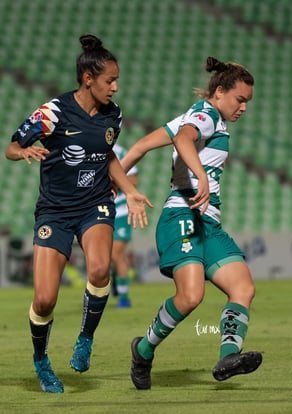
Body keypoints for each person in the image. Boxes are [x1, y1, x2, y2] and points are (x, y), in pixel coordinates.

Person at [4, 34, 152, 394]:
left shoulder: (112, 116)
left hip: (94, 204)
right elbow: (11, 145)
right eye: (109, 81)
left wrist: (130, 190)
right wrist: (23, 153)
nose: (115, 87)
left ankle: (85, 338)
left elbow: (108, 155)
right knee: (44, 299)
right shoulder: (52, 112)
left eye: (117, 80)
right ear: (89, 79)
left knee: (101, 268)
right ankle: (41, 360)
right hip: (54, 211)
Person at [121, 56, 262, 390]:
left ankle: (229, 356)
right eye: (240, 99)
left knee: (242, 287)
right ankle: (143, 350)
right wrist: (199, 176)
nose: (243, 107)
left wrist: (119, 178)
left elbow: (141, 145)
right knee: (190, 296)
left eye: (247, 102)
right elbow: (183, 140)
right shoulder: (206, 115)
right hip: (182, 214)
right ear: (220, 92)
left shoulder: (199, 115)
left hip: (207, 222)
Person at [111, 143, 138, 308]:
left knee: (116, 253)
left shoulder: (120, 152)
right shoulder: (89, 147)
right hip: (99, 212)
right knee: (103, 257)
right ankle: (116, 278)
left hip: (120, 212)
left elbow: (133, 180)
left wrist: (112, 178)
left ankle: (124, 297)